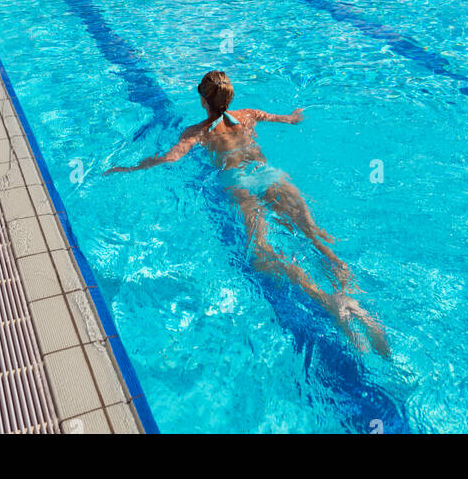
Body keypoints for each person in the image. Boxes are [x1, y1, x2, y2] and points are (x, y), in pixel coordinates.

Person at [107, 70, 389, 356]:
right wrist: (295, 115)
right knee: (315, 237)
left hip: (239, 185)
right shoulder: (248, 114)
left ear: (204, 101)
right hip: (269, 175)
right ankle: (350, 292)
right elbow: (288, 120)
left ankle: (327, 300)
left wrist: (129, 167)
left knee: (261, 254)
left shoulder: (197, 132)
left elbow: (169, 158)